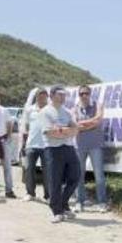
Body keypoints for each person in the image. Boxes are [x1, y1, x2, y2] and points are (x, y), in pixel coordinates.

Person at [41, 85, 80, 222]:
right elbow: (49, 132)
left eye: (64, 95)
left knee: (75, 177)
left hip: (69, 147)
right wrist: (66, 131)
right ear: (51, 96)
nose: (63, 97)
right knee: (55, 181)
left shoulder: (67, 112)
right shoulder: (46, 112)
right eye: (60, 94)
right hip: (53, 149)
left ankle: (63, 203)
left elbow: (75, 130)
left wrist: (61, 130)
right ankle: (57, 211)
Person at [72, 84, 108, 211]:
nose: (84, 96)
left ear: (90, 93)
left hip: (95, 145)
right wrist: (91, 124)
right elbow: (75, 125)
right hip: (79, 145)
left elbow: (98, 120)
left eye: (86, 93)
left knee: (99, 175)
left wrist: (83, 126)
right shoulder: (75, 108)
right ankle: (79, 201)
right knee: (79, 174)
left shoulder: (98, 105)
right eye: (81, 93)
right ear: (79, 95)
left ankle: (102, 202)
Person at [21, 87, 50, 202]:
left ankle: (48, 195)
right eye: (39, 95)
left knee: (47, 172)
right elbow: (27, 126)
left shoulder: (50, 109)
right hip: (31, 144)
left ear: (47, 97)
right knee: (29, 169)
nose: (41, 97)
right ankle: (30, 193)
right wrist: (25, 142)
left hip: (47, 145)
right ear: (36, 97)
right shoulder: (30, 109)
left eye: (44, 95)